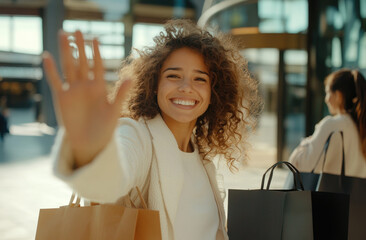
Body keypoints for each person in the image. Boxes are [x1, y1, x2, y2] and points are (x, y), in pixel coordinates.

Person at [43, 19, 261, 240]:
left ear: (214, 93)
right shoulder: (136, 135)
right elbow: (109, 182)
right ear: (154, 84)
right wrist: (90, 153)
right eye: (173, 76)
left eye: (200, 79)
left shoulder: (202, 160)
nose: (186, 87)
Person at [289, 69, 366, 177]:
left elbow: (300, 165)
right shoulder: (361, 126)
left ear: (338, 96)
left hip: (332, 193)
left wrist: (306, 142)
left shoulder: (331, 125)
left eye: (328, 93)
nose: (326, 99)